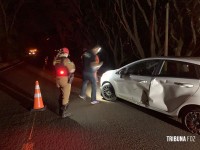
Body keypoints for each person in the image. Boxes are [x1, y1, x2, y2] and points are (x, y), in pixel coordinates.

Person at [53, 47, 75, 118]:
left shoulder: (56, 59)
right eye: (67, 53)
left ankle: (60, 110)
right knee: (66, 96)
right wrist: (72, 64)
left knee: (61, 93)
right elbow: (72, 70)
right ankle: (63, 114)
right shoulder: (66, 59)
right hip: (65, 80)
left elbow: (54, 64)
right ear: (66, 53)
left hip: (57, 79)